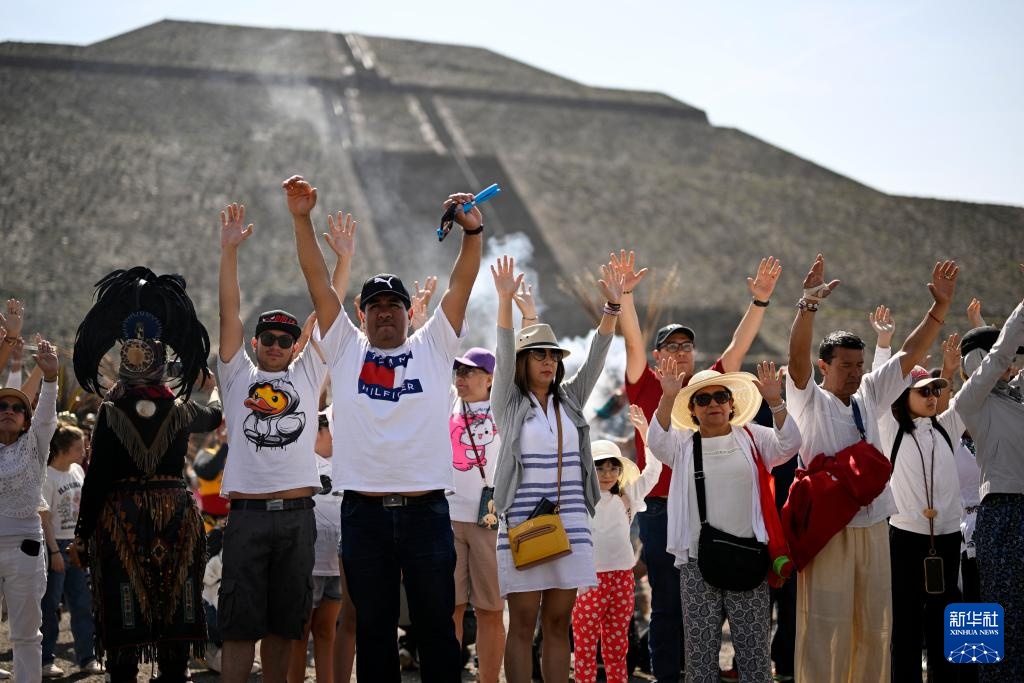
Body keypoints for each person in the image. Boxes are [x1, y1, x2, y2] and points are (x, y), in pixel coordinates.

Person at [327, 190, 482, 683]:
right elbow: (315, 282)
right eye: (377, 305)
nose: (387, 312)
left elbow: (461, 284)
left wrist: (473, 233)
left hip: (426, 512)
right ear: (362, 311)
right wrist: (301, 219)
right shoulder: (345, 349)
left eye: (395, 304)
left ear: (409, 312)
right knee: (373, 628)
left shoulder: (433, 346)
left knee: (437, 627)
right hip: (364, 514)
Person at [785, 254, 958, 683]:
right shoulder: (807, 400)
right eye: (846, 366)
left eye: (860, 365)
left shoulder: (868, 394)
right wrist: (807, 304)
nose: (855, 373)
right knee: (826, 625)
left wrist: (939, 309)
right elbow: (796, 359)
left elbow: (910, 353)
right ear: (825, 366)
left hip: (876, 523)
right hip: (828, 529)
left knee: (874, 626)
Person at [616, 250, 782, 683]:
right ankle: (672, 675)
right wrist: (628, 295)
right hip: (661, 509)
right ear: (656, 356)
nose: (681, 353)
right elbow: (633, 341)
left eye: (686, 346)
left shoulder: (710, 388)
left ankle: (710, 672)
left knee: (714, 607)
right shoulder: (646, 383)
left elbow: (738, 347)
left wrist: (760, 301)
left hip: (718, 514)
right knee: (669, 605)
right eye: (671, 346)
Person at [215, 178, 348, 683]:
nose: (275, 345)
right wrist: (228, 254)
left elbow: (329, 305)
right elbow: (229, 310)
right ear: (255, 342)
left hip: (297, 514)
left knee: (284, 626)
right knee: (237, 624)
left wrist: (342, 260)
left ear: (296, 345)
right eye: (267, 338)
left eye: (285, 339)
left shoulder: (308, 375)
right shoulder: (237, 376)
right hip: (247, 513)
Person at [69, 268, 220, 683]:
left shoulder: (111, 413)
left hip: (122, 519)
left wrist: (82, 534)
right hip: (175, 517)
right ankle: (173, 674)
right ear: (160, 366)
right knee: (176, 608)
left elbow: (97, 477)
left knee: (124, 609)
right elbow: (217, 414)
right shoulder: (182, 410)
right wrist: (209, 386)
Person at [490, 254, 622, 683]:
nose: (547, 361)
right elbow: (505, 348)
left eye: (552, 355)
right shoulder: (508, 404)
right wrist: (507, 304)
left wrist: (611, 310)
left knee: (557, 623)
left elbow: (597, 359)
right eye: (537, 355)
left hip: (571, 521)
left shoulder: (570, 399)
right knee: (523, 622)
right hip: (524, 521)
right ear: (522, 362)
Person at [646, 359, 799, 683]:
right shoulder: (682, 445)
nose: (713, 403)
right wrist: (667, 396)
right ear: (692, 409)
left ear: (731, 404)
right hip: (697, 565)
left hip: (749, 561)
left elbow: (790, 444)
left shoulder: (754, 437)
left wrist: (775, 401)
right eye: (703, 399)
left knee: (754, 659)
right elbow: (656, 441)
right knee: (700, 660)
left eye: (720, 397)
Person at [953, 284, 1024, 683]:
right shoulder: (970, 401)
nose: (1013, 366)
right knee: (996, 620)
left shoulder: (1015, 398)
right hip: (996, 518)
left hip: (1000, 517)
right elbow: (996, 358)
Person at [879, 354, 965, 682]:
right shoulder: (890, 430)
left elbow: (980, 385)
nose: (932, 397)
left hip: (950, 537)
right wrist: (885, 345)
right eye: (923, 391)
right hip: (905, 536)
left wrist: (952, 370)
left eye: (935, 391)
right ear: (904, 396)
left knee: (949, 618)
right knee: (906, 623)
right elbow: (881, 387)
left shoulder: (949, 426)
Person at [571, 438, 662, 683]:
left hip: (622, 578)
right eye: (600, 467)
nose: (607, 474)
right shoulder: (579, 499)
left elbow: (653, 472)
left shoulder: (627, 496)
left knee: (617, 645)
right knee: (585, 645)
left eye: (613, 467)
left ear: (621, 470)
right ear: (589, 468)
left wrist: (646, 435)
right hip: (588, 579)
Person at [0, 338, 59, 683]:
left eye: (17, 408)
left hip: (25, 549)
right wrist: (11, 352)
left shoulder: (35, 443)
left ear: (25, 420)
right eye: (2, 406)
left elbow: (46, 418)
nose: (8, 410)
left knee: (25, 635)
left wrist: (49, 379)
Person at [449, 346, 505, 683]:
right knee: (448, 610)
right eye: (458, 370)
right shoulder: (446, 402)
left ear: (489, 379)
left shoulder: (503, 408)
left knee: (490, 610)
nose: (461, 377)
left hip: (491, 523)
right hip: (448, 519)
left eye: (470, 371)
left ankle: (489, 680)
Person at [40, 423, 102, 677]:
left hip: (75, 547)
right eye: (79, 447)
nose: (84, 451)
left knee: (82, 604)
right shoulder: (47, 477)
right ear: (64, 449)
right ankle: (44, 660)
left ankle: (87, 657)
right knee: (50, 605)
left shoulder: (77, 470)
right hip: (55, 547)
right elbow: (44, 519)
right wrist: (54, 552)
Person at [288, 410, 343, 683]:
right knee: (300, 631)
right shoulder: (304, 462)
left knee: (327, 631)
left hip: (338, 563)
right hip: (309, 562)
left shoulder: (347, 462)